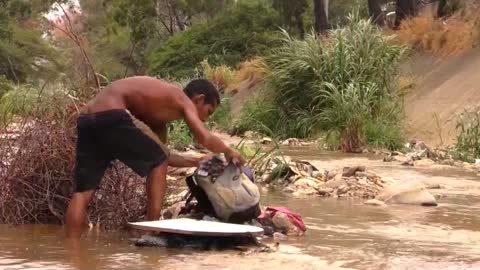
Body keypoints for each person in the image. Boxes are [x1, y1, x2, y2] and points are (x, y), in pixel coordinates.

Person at [65, 76, 246, 238]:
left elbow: (163, 157)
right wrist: (229, 151)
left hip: (88, 120)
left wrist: (197, 160)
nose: (206, 119)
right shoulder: (183, 99)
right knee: (157, 160)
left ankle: (73, 251)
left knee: (82, 193)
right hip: (112, 113)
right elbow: (203, 137)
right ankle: (153, 229)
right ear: (199, 99)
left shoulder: (157, 116)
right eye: (208, 111)